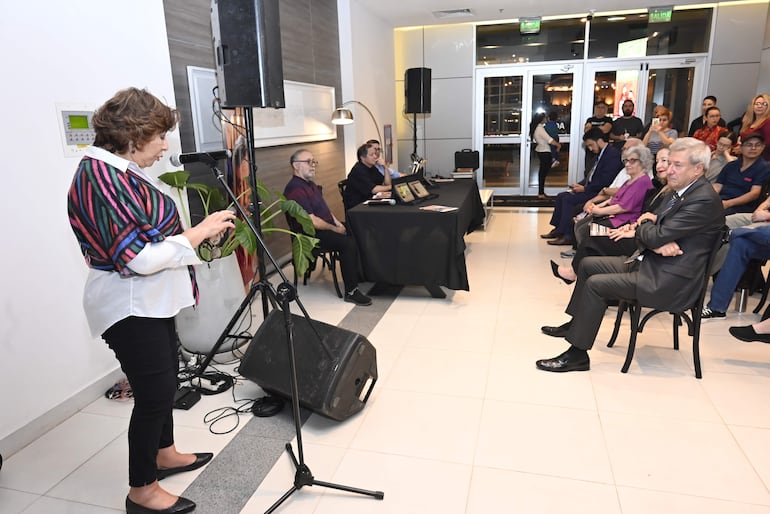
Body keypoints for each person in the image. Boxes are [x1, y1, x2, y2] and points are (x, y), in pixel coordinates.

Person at [67, 88, 232, 514]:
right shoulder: (99, 178)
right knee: (154, 395)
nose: (164, 145)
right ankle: (141, 490)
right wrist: (199, 232)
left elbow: (153, 238)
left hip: (151, 302)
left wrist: (196, 235)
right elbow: (139, 259)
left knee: (165, 384)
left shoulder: (121, 170)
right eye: (159, 136)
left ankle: (165, 453)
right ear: (132, 133)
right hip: (129, 306)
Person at [537, 138, 724, 372]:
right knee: (586, 264)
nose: (669, 169)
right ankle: (576, 325)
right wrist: (653, 233)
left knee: (596, 284)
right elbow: (651, 226)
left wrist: (650, 230)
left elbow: (651, 229)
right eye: (669, 163)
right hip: (654, 263)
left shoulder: (702, 199)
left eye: (678, 165)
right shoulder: (680, 192)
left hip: (667, 279)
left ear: (698, 168)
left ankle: (577, 354)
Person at [551, 145, 656, 283]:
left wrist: (598, 211)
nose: (628, 164)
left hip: (623, 222)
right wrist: (595, 206)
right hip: (616, 217)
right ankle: (582, 268)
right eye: (626, 161)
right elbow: (614, 199)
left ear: (643, 162)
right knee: (583, 224)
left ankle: (575, 271)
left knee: (590, 231)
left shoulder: (642, 182)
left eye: (633, 161)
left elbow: (623, 207)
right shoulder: (631, 180)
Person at [283, 149, 372, 306]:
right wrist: (335, 229)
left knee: (358, 228)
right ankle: (351, 291)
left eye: (314, 162)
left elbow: (324, 209)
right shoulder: (295, 189)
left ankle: (360, 274)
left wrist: (337, 223)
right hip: (310, 235)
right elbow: (312, 221)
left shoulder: (310, 184)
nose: (313, 166)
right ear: (296, 166)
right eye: (309, 162)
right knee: (347, 243)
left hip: (324, 228)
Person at [540, 128, 621, 246]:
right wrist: (581, 184)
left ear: (599, 141)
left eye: (591, 145)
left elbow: (605, 180)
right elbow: (591, 176)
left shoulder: (612, 155)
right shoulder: (600, 154)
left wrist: (585, 189)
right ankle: (559, 230)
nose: (590, 148)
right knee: (561, 196)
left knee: (569, 200)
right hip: (591, 188)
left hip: (599, 193)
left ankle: (568, 235)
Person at [713, 132, 770, 215]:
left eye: (758, 145)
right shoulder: (731, 165)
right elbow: (717, 185)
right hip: (720, 200)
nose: (753, 148)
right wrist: (711, 199)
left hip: (742, 207)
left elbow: (754, 193)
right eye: (749, 145)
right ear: (741, 147)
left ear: (763, 147)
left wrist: (728, 203)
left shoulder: (764, 167)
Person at [343, 142, 392, 210]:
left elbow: (386, 183)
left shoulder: (371, 167)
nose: (375, 156)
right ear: (363, 158)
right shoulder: (358, 170)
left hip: (370, 200)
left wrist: (385, 167)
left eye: (375, 154)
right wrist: (391, 187)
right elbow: (373, 189)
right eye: (371, 155)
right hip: (358, 206)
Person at [531, 112, 561, 198]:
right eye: (545, 118)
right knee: (543, 173)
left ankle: (541, 192)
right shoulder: (540, 128)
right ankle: (541, 193)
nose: (546, 119)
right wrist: (558, 145)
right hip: (544, 151)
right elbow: (549, 139)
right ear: (541, 119)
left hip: (541, 150)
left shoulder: (536, 127)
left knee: (542, 172)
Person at [738, 94, 770, 161]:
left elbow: (767, 144)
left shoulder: (768, 122)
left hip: (760, 161)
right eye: (757, 104)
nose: (759, 106)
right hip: (745, 158)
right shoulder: (749, 121)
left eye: (764, 104)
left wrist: (746, 148)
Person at [584, 102, 613, 171]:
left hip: (602, 148)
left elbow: (606, 129)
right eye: (598, 107)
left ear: (605, 110)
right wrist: (600, 128)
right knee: (589, 169)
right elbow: (586, 130)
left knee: (601, 169)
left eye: (602, 108)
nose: (600, 109)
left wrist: (592, 128)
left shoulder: (608, 119)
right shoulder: (590, 120)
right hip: (590, 150)